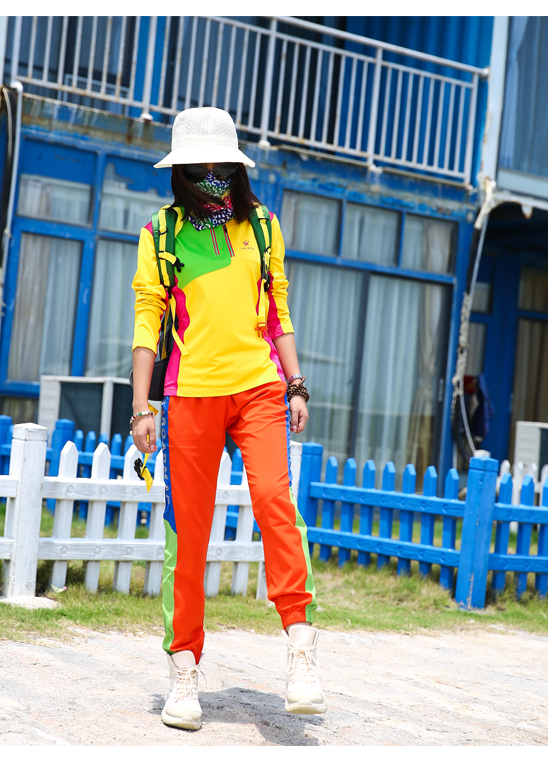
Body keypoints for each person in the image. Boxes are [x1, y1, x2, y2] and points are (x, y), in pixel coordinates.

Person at [130, 107, 325, 731]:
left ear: (235, 164)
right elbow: (147, 320)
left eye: (218, 161)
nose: (209, 172)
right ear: (181, 169)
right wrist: (141, 405)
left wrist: (295, 383)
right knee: (187, 533)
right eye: (198, 164)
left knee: (274, 502)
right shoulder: (161, 233)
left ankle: (301, 648)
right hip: (190, 394)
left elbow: (277, 309)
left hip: (260, 388)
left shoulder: (262, 226)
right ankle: (183, 667)